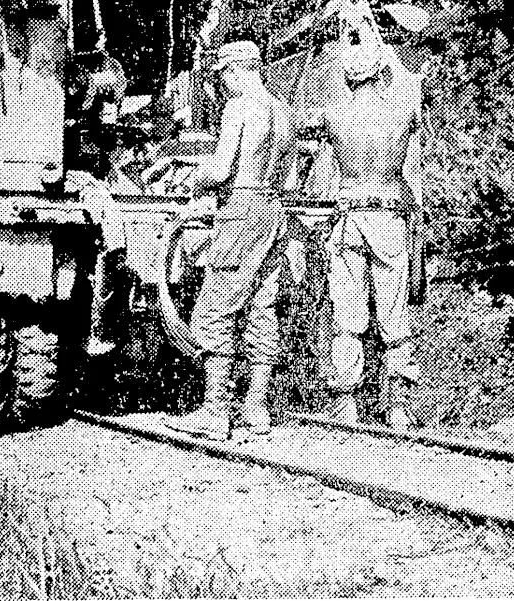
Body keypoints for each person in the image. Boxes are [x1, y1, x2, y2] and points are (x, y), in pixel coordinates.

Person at [163, 40, 294, 441]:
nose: (221, 84)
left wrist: (187, 177)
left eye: (222, 76)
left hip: (242, 209)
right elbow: (288, 177)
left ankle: (216, 413)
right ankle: (256, 411)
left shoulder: (239, 107)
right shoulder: (283, 110)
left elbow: (221, 170)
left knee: (212, 312)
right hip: (274, 211)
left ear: (236, 71)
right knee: (260, 309)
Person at [296, 24, 422, 429]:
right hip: (389, 217)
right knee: (394, 313)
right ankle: (399, 409)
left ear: (349, 76)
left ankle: (346, 406)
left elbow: (301, 126)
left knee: (347, 316)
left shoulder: (333, 115)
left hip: (348, 219)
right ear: (380, 69)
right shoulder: (404, 111)